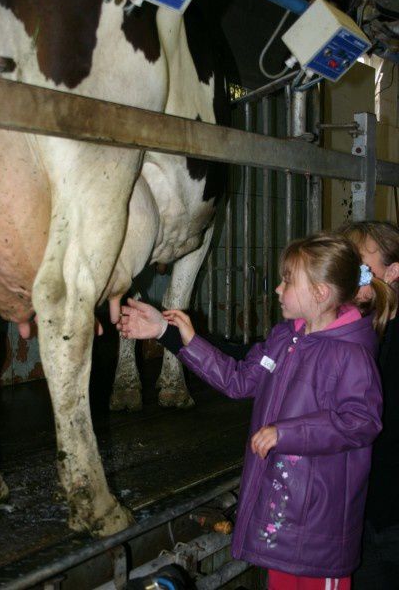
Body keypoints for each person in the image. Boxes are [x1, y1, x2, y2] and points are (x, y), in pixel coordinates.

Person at [118, 233, 390, 590]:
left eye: (288, 281)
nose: (278, 289)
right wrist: (171, 333)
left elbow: (361, 422)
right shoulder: (284, 338)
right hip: (280, 515)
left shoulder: (351, 354)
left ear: (320, 293)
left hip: (317, 530)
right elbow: (240, 380)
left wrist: (286, 432)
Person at [339, 221, 399, 590]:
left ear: (393, 272)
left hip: (387, 523)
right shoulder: (354, 332)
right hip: (364, 519)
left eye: (360, 266)